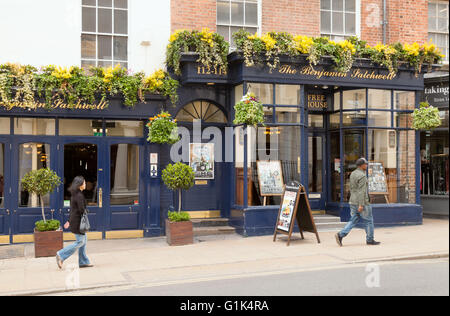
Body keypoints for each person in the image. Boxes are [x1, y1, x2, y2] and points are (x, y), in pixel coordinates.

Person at [335, 158, 381, 247]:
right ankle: (370, 240)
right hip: (362, 202)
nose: (367, 165)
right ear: (361, 165)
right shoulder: (362, 176)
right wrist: (361, 204)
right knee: (369, 221)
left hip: (352, 201)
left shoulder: (353, 174)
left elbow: (352, 188)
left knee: (353, 220)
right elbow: (361, 191)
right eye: (365, 164)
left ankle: (340, 235)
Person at [56, 176, 93, 269]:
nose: (85, 184)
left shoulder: (75, 194)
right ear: (80, 185)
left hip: (75, 221)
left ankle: (83, 261)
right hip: (78, 222)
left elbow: (73, 210)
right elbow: (81, 210)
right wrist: (86, 210)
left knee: (83, 241)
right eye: (84, 183)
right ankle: (61, 254)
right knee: (80, 242)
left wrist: (69, 221)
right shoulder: (79, 195)